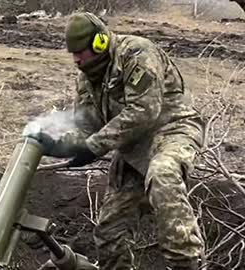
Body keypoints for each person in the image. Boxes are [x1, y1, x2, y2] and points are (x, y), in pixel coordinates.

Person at [23, 12, 205, 270]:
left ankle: (186, 263)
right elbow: (88, 122)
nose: (75, 59)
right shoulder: (87, 77)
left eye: (80, 52)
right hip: (132, 147)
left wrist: (94, 146)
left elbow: (144, 111)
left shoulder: (137, 54)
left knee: (162, 175)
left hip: (172, 131)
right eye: (72, 53)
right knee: (109, 232)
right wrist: (61, 144)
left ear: (99, 43)